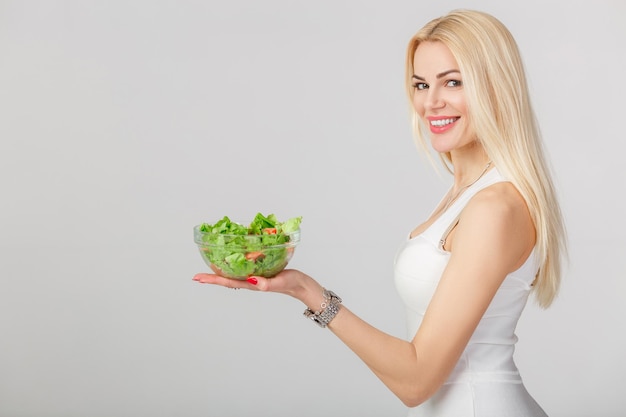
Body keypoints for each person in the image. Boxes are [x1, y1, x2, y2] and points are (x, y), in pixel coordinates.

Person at [193, 9, 567, 417]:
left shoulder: (494, 207)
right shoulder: (467, 193)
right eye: (421, 84)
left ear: (497, 87)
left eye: (453, 82)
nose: (430, 102)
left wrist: (307, 292)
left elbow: (417, 380)